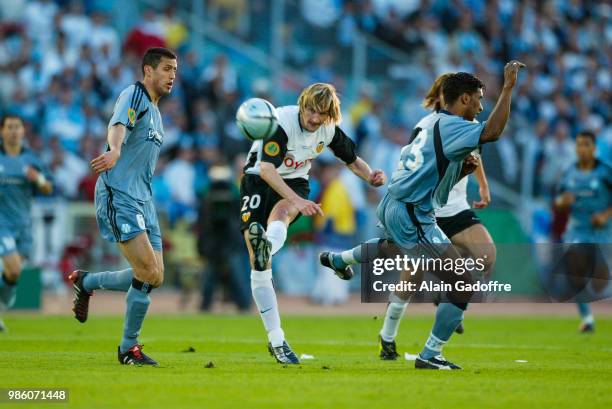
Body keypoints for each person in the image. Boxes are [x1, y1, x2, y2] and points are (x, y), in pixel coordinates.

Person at [321, 62, 525, 369]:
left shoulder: (426, 124)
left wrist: (461, 172)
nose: (482, 106)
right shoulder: (455, 126)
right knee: (462, 280)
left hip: (396, 202)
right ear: (464, 99)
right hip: (413, 212)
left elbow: (430, 173)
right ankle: (430, 354)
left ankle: (342, 260)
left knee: (396, 250)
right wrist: (508, 88)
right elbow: (493, 132)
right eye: (479, 99)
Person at [240, 83, 386, 364]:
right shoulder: (280, 123)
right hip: (257, 179)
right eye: (310, 110)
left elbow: (352, 160)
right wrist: (299, 201)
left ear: (330, 114)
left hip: (295, 180)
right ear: (302, 104)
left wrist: (370, 177)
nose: (314, 118)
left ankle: (266, 246)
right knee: (259, 266)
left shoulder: (328, 129)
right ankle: (277, 338)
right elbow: (268, 170)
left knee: (281, 214)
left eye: (321, 113)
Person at [68, 48, 177, 365]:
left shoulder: (157, 112)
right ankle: (128, 348)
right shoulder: (135, 94)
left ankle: (87, 282)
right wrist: (114, 150)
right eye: (167, 69)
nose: (172, 76)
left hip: (145, 199)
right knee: (146, 271)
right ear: (148, 70)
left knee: (155, 276)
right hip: (120, 194)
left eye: (175, 70)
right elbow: (119, 126)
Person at [376, 74, 497, 360]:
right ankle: (387, 335)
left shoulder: (463, 125)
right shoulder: (429, 126)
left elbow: (474, 152)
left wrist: (483, 183)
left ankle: (452, 295)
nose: (478, 104)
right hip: (427, 210)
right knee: (411, 279)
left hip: (456, 207)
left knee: (487, 255)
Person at [554, 130, 611, 333]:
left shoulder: (605, 172)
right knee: (574, 267)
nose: (582, 149)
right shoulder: (569, 172)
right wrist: (563, 202)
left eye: (586, 144)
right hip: (577, 230)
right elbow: (558, 201)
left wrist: (605, 215)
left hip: (602, 233)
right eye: (579, 144)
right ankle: (587, 318)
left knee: (599, 282)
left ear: (594, 148)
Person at [0, 115, 53, 331]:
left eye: (17, 127)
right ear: (2, 132)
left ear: (23, 132)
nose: (13, 131)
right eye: (9, 127)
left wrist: (38, 179)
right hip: (3, 223)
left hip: (24, 224)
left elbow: (48, 188)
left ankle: (2, 304)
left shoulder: (32, 159)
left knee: (14, 273)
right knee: (11, 267)